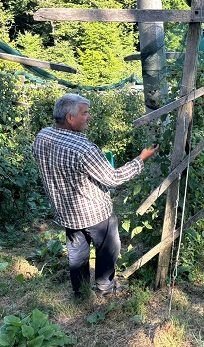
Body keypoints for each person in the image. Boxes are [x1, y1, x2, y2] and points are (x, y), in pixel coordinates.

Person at [33, 93, 158, 298]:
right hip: (95, 213)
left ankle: (81, 292)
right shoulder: (84, 149)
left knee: (77, 254)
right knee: (108, 249)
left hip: (66, 212)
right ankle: (105, 287)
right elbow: (113, 178)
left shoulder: (43, 136)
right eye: (85, 113)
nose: (89, 117)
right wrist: (141, 159)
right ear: (70, 118)